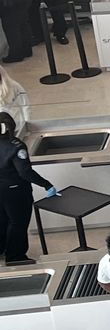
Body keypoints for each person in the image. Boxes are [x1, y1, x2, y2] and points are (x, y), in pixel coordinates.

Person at [0, 112, 49, 266]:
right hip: (15, 191)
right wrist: (46, 184)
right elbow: (25, 172)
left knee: (2, 221)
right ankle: (15, 256)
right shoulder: (15, 146)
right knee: (17, 223)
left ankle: (2, 249)